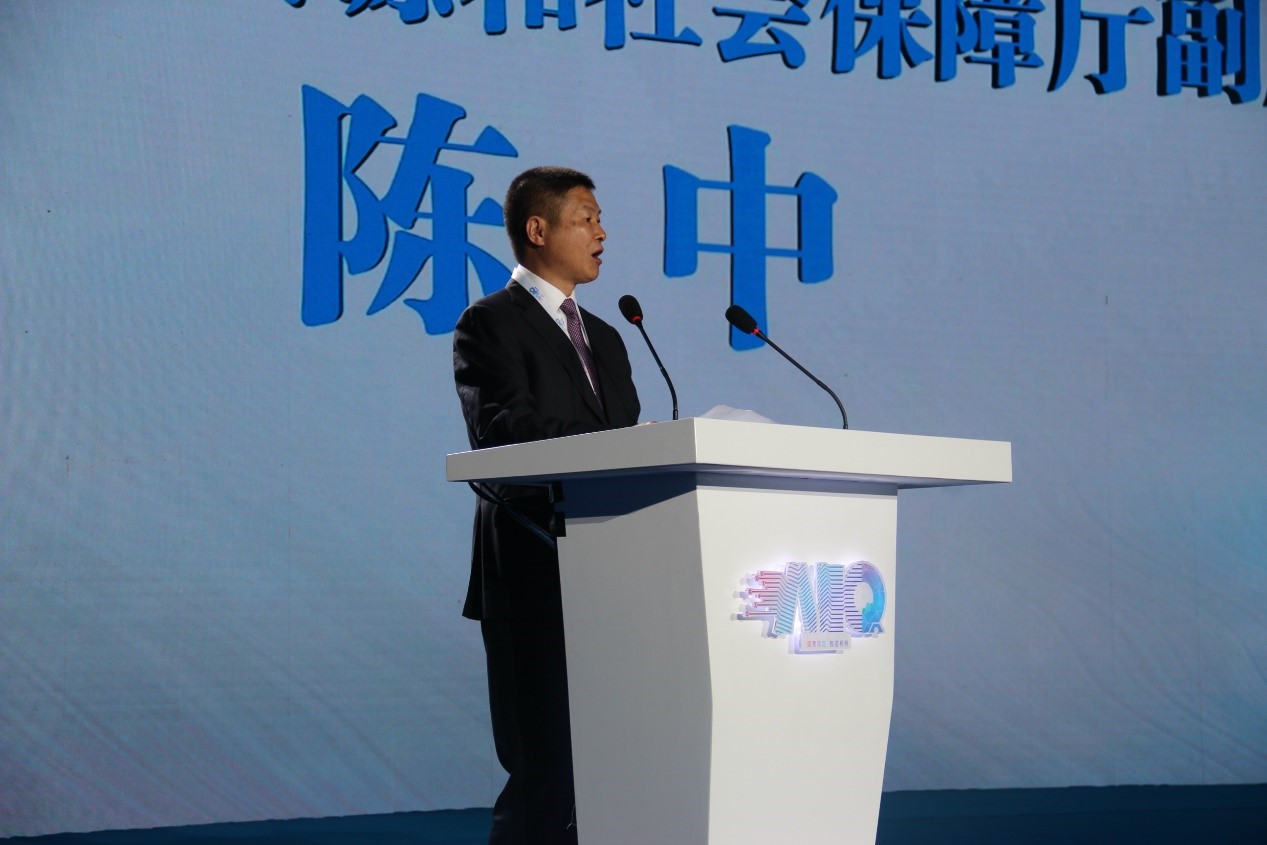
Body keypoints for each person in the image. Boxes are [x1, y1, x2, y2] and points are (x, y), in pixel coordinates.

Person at [452, 166, 641, 845]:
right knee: (545, 773)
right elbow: (504, 431)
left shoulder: (608, 336)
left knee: (611, 772)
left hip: (611, 574)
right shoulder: (488, 323)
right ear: (538, 229)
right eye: (586, 218)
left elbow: (627, 441)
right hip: (531, 570)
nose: (602, 232)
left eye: (599, 219)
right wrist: (618, 442)